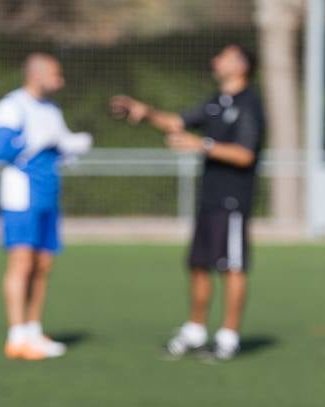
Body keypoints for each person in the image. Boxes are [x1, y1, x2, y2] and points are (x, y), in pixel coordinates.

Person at [111, 45, 265, 361]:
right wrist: (147, 113)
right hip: (208, 198)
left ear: (241, 66)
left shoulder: (250, 104)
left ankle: (228, 337)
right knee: (197, 265)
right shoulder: (215, 102)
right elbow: (177, 121)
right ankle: (195, 332)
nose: (214, 61)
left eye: (221, 57)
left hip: (233, 200)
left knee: (232, 267)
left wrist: (203, 144)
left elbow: (245, 154)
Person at [0, 54, 92, 361]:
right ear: (39, 75)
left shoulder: (51, 108)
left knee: (43, 264)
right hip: (22, 196)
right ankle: (16, 335)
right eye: (56, 75)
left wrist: (72, 146)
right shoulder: (11, 106)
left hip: (49, 194)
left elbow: (57, 146)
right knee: (21, 262)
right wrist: (33, 141)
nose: (60, 81)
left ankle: (33, 329)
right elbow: (0, 150)